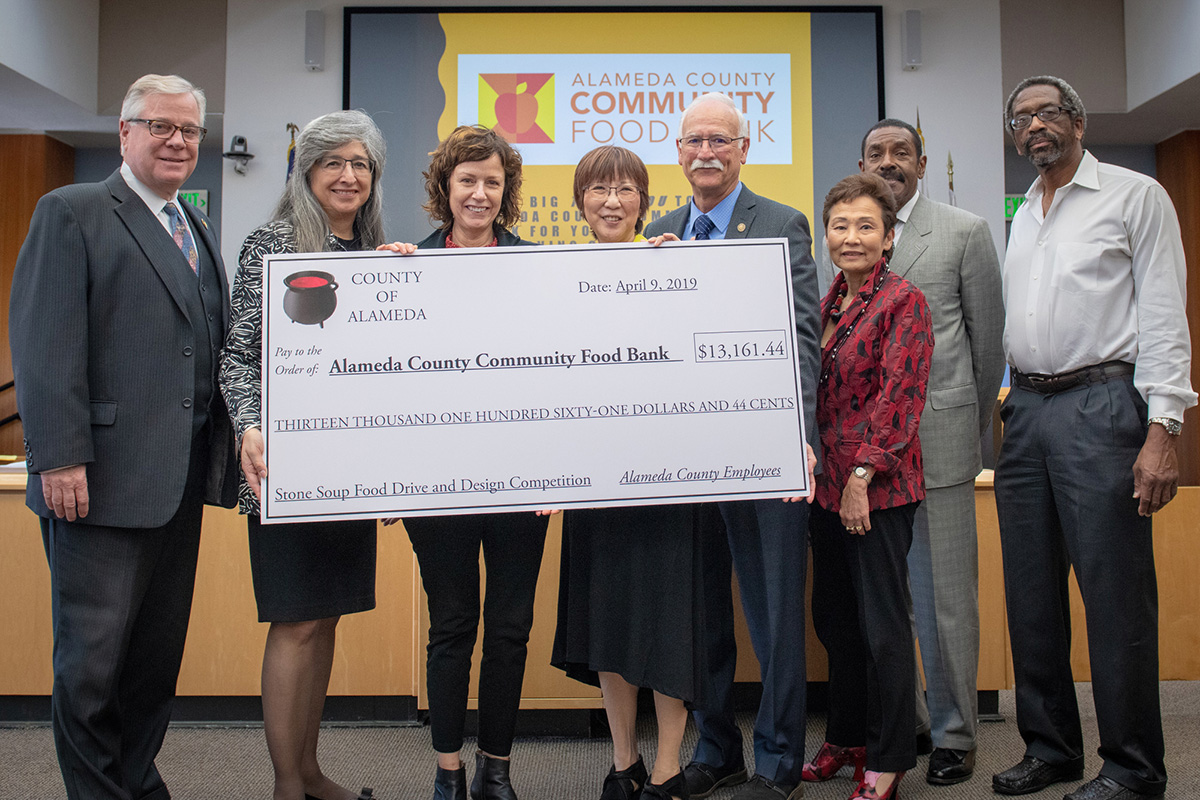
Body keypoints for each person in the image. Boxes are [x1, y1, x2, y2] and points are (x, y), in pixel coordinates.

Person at [8, 73, 238, 800]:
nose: (177, 141)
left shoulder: (193, 225)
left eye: (190, 131)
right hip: (99, 484)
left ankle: (137, 782)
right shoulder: (71, 211)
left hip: (177, 487)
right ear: (126, 133)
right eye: (160, 126)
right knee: (92, 666)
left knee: (152, 662)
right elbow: (45, 347)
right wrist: (61, 456)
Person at [992, 75, 1195, 800]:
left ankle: (1134, 768)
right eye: (1021, 118)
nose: (1034, 125)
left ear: (1078, 120)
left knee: (1114, 597)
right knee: (1030, 597)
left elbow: (1166, 316)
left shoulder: (1134, 196)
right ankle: (1051, 749)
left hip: (1103, 406)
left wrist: (1163, 425)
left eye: (1047, 112)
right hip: (1028, 412)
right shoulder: (1028, 212)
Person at [219, 110, 403, 800]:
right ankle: (285, 784)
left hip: (350, 475)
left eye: (361, 165)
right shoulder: (271, 243)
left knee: (324, 620)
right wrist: (249, 426)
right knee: (294, 621)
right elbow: (237, 355)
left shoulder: (375, 250)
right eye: (334, 163)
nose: (349, 176)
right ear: (308, 171)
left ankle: (310, 768)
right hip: (286, 470)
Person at [644, 92, 821, 800]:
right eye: (694, 141)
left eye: (721, 139)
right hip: (682, 460)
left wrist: (799, 438)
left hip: (762, 451)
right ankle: (717, 748)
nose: (707, 152)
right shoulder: (657, 231)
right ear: (679, 152)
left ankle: (779, 762)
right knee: (701, 610)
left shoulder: (782, 224)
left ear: (744, 150)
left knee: (774, 609)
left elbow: (803, 341)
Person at [847, 119, 1004, 786]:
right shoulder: (852, 233)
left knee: (945, 602)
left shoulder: (963, 232)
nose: (890, 162)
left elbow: (987, 342)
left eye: (901, 152)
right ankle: (904, 725)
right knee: (888, 603)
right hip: (869, 457)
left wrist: (966, 433)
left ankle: (954, 734)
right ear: (863, 162)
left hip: (936, 444)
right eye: (877, 153)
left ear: (921, 160)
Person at [400, 124, 549, 800]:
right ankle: (448, 770)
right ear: (446, 188)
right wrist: (384, 283)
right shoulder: (406, 268)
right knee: (454, 623)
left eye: (492, 181)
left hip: (522, 479)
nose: (480, 193)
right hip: (437, 481)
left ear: (505, 190)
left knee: (511, 628)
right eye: (468, 180)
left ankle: (496, 768)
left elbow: (563, 376)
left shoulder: (540, 269)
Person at [550, 145, 700, 800]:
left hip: (668, 479)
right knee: (607, 621)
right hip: (593, 482)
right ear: (580, 200)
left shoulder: (671, 264)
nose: (613, 200)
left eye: (626, 189)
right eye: (599, 189)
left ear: (644, 199)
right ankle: (623, 762)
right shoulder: (551, 273)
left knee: (668, 620)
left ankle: (668, 763)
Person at [808, 172, 933, 800]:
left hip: (876, 491)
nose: (851, 237)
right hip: (825, 490)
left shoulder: (902, 300)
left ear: (887, 237)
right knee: (835, 620)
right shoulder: (830, 298)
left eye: (865, 226)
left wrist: (861, 476)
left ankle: (889, 757)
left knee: (882, 625)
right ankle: (847, 736)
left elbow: (899, 400)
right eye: (840, 225)